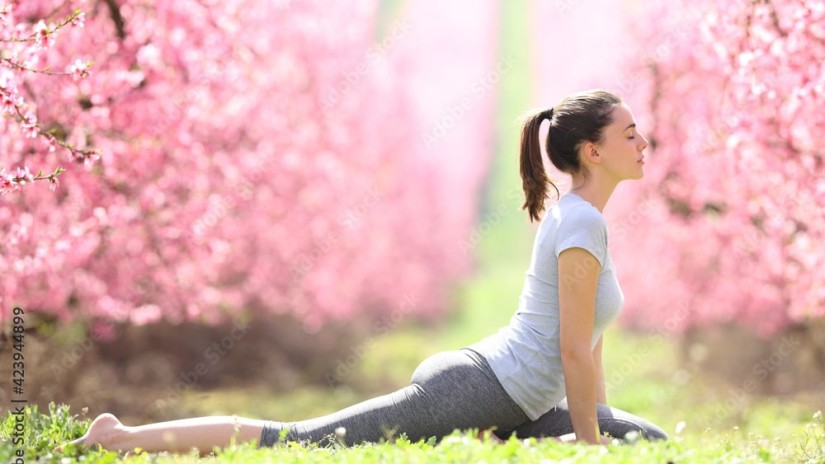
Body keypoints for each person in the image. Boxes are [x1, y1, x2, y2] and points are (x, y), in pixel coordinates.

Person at [65, 89, 667, 454]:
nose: (644, 144)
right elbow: (572, 351)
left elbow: (589, 340)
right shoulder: (582, 221)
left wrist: (600, 424)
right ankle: (120, 438)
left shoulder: (583, 217)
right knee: (300, 439)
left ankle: (499, 438)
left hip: (518, 402)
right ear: (592, 150)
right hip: (479, 389)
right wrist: (589, 444)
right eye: (631, 134)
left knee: (648, 442)